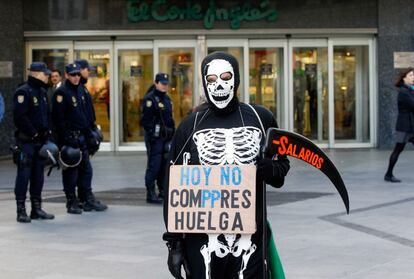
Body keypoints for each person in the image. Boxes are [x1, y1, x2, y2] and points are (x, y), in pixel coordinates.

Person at [162, 52, 290, 278]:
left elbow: (280, 170)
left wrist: (270, 169)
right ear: (204, 82)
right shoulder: (190, 125)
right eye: (211, 80)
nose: (218, 85)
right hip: (202, 239)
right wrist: (175, 244)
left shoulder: (260, 118)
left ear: (236, 79)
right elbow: (174, 185)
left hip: (250, 237)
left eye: (225, 77)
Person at [52, 63, 108, 214]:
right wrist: (67, 139)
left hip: (83, 137)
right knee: (71, 172)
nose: (76, 77)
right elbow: (58, 120)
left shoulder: (81, 90)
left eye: (78, 74)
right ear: (66, 75)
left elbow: (86, 115)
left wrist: (91, 133)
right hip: (70, 139)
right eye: (73, 75)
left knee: (86, 170)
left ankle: (87, 199)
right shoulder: (62, 93)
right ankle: (71, 201)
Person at [12, 62, 55, 223]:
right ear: (36, 74)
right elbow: (20, 117)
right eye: (45, 74)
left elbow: (46, 115)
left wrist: (47, 133)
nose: (47, 76)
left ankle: (36, 209)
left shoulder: (43, 92)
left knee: (38, 176)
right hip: (27, 142)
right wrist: (34, 133)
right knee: (24, 176)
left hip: (40, 143)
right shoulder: (23, 91)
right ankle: (21, 210)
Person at [141, 73, 175, 204]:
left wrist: (172, 133)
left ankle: (162, 191)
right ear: (156, 83)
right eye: (162, 83)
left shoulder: (167, 99)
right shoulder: (150, 99)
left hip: (166, 138)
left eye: (166, 84)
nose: (164, 86)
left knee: (163, 166)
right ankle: (150, 193)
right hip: (155, 139)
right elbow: (146, 121)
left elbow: (170, 119)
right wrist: (154, 133)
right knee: (154, 166)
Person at [384, 68, 414, 182]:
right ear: (404, 78)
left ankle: (388, 174)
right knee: (398, 149)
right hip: (405, 127)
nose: (413, 78)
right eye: (410, 75)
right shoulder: (403, 92)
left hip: (411, 126)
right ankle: (388, 174)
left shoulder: (410, 90)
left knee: (398, 150)